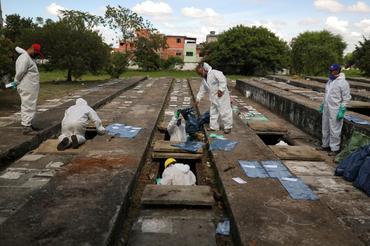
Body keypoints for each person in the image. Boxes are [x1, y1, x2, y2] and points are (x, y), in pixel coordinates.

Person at [318, 64, 351, 156]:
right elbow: (327, 94)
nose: (331, 72)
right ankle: (325, 145)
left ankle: (334, 148)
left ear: (337, 71)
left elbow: (346, 97)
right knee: (325, 127)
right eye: (330, 70)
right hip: (327, 107)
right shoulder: (329, 81)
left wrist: (342, 109)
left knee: (335, 128)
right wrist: (323, 104)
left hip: (336, 109)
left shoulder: (343, 82)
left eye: (333, 71)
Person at [195, 62, 233, 134]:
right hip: (213, 97)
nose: (200, 74)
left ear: (205, 69)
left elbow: (223, 80)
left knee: (225, 111)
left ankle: (228, 127)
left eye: (201, 72)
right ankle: (214, 127)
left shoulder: (215, 73)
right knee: (213, 112)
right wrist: (198, 99)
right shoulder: (204, 80)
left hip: (222, 96)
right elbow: (202, 90)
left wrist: (221, 90)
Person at [14, 44, 43, 134]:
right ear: (31, 49)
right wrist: (16, 81)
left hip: (30, 87)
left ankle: (28, 124)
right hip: (26, 86)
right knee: (27, 105)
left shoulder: (27, 57)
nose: (36, 55)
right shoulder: (25, 58)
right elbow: (20, 72)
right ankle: (26, 127)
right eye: (36, 53)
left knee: (30, 105)